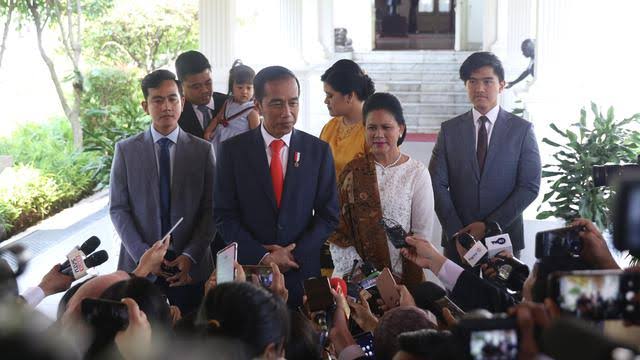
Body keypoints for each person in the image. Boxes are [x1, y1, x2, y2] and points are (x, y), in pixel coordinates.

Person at [214, 65, 339, 307]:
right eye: (277, 104)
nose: (287, 113)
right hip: (248, 274)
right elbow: (223, 215)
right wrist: (263, 256)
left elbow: (329, 215)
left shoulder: (318, 151)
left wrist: (293, 254)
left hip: (302, 272)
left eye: (293, 103)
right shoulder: (233, 151)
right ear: (257, 105)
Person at [109, 69, 216, 313]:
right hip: (141, 271)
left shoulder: (202, 151)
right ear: (145, 106)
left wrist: (190, 256)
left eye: (172, 98)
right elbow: (118, 208)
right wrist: (144, 257)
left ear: (182, 102)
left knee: (192, 339)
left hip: (191, 269)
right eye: (158, 100)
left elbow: (211, 209)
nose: (166, 106)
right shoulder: (126, 151)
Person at [429, 51, 541, 265]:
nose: (479, 89)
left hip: (504, 237)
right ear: (466, 85)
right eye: (472, 82)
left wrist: (489, 225)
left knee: (503, 298)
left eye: (487, 81)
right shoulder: (449, 130)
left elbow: (529, 186)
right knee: (457, 298)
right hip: (458, 241)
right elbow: (436, 184)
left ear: (501, 85)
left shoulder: (522, 130)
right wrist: (458, 233)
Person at [328, 92, 435, 288]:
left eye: (386, 127)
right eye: (372, 128)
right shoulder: (351, 172)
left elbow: (421, 235)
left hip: (404, 278)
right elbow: (338, 231)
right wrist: (364, 274)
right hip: (356, 279)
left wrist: (393, 279)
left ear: (401, 129)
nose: (378, 134)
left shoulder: (416, 173)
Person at [319, 59, 375, 177]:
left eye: (330, 95)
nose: (325, 101)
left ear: (349, 95)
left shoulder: (374, 131)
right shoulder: (329, 127)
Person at [204, 60, 260, 155]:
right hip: (219, 140)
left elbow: (256, 136)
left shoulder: (252, 111)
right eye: (240, 87)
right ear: (231, 87)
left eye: (249, 88)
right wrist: (208, 131)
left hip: (238, 146)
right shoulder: (228, 102)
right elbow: (218, 118)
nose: (244, 91)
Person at [175, 50, 228, 139]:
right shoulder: (176, 114)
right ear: (181, 86)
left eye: (208, 83)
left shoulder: (229, 103)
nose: (204, 90)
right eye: (196, 87)